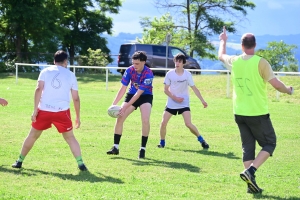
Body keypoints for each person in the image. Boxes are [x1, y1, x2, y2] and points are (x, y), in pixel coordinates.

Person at [218, 27, 293, 193]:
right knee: (270, 143)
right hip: (257, 112)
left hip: (239, 112)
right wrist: (288, 90)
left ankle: (251, 186)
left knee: (248, 147)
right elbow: (276, 84)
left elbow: (221, 55)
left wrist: (223, 40)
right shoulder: (261, 62)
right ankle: (250, 171)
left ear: (241, 45)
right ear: (255, 45)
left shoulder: (235, 60)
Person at [12, 50, 87, 171]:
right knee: (70, 138)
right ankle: (81, 164)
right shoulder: (70, 75)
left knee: (32, 136)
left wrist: (35, 110)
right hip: (62, 112)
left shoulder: (45, 71)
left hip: (44, 111)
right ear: (65, 61)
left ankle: (19, 161)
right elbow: (76, 98)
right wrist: (78, 117)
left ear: (54, 61)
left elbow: (38, 89)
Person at [106, 51, 154, 159]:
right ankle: (115, 147)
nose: (134, 66)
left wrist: (126, 106)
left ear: (143, 62)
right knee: (120, 118)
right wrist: (114, 104)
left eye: (137, 64)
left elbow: (139, 93)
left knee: (145, 120)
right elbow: (123, 88)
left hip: (145, 96)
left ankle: (142, 149)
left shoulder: (148, 73)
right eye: (133, 63)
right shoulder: (129, 70)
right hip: (131, 94)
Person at [157, 53, 209, 149]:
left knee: (188, 124)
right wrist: (175, 98)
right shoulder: (170, 74)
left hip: (184, 102)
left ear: (183, 63)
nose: (177, 63)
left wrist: (202, 100)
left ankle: (202, 140)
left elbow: (194, 88)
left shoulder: (187, 74)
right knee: (163, 123)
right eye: (176, 61)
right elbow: (165, 90)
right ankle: (162, 142)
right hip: (172, 102)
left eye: (180, 61)